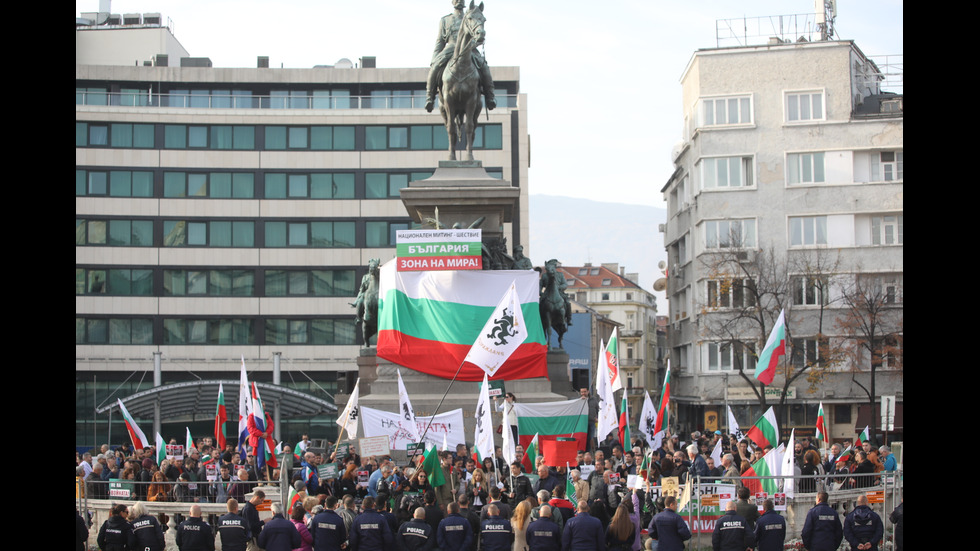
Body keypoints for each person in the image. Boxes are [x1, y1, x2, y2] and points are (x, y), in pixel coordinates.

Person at [423, 0, 496, 113]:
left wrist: (475, 43)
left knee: (484, 67)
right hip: (450, 47)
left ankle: (490, 97)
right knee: (435, 67)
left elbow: (476, 34)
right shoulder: (445, 20)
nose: (459, 1)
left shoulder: (471, 16)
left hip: (469, 48)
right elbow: (440, 41)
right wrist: (435, 59)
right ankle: (430, 97)